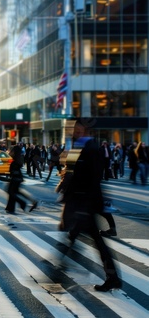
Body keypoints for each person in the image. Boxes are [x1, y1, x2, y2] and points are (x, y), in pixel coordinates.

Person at [60, 120, 122, 292]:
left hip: (85, 204)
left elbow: (93, 179)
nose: (75, 132)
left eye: (78, 130)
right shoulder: (79, 146)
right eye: (73, 130)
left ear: (86, 130)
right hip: (80, 203)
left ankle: (57, 271)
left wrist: (83, 205)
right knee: (82, 238)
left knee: (78, 238)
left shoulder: (92, 149)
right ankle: (113, 277)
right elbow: (70, 173)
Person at [5, 146, 38, 213]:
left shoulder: (15, 161)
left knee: (11, 192)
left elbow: (14, 171)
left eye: (11, 151)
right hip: (18, 178)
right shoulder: (18, 159)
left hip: (15, 179)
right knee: (15, 192)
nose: (10, 152)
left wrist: (10, 174)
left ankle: (22, 203)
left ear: (14, 152)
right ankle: (10, 207)